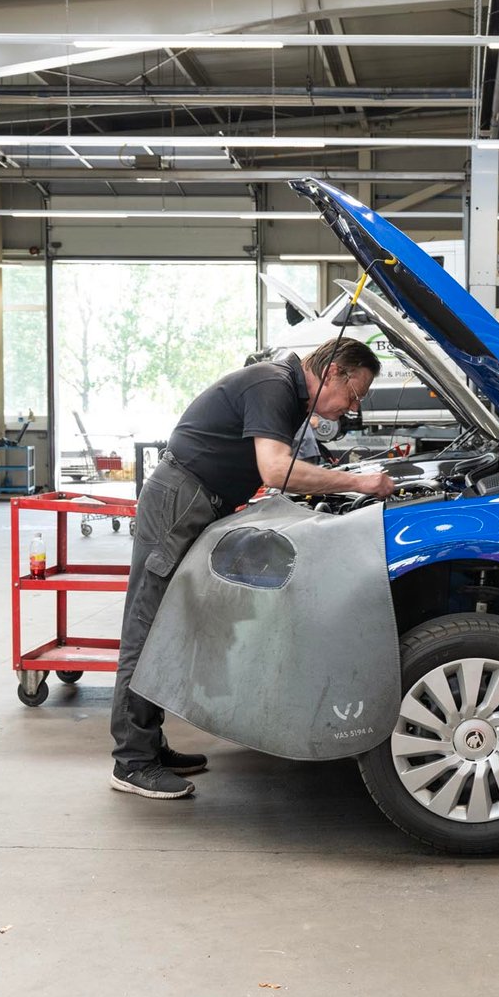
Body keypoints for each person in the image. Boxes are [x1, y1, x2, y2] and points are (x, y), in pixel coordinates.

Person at [110, 336, 395, 799]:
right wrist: (358, 483)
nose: (352, 407)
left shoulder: (287, 395)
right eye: (355, 393)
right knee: (148, 623)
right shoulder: (272, 385)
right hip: (180, 500)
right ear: (334, 372)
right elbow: (276, 470)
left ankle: (148, 744)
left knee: (171, 623)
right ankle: (131, 762)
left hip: (201, 498)